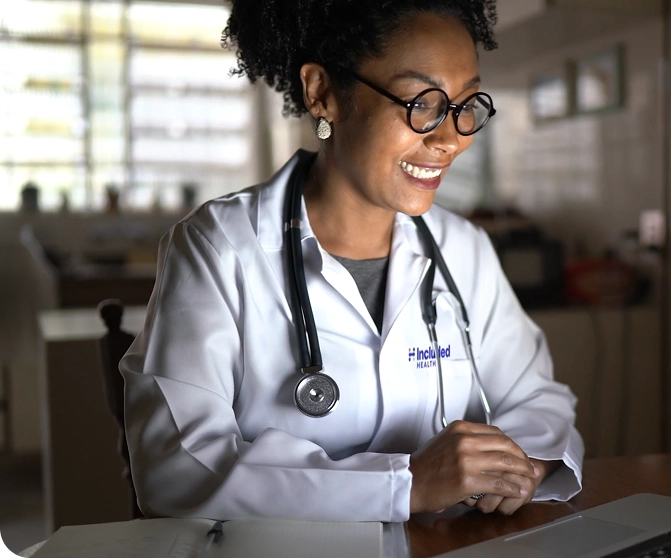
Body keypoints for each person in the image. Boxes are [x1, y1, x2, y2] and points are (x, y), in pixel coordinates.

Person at [121, 0, 584, 523]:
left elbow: (537, 399)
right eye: (421, 102)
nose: (451, 139)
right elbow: (176, 468)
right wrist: (407, 485)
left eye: (464, 104)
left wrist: (519, 465)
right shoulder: (219, 246)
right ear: (322, 93)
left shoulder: (463, 248)